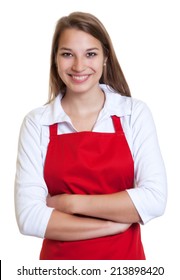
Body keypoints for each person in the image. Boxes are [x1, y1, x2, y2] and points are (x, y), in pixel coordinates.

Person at [14, 11, 167, 260]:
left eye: (90, 54)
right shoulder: (37, 123)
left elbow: (153, 200)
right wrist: (111, 225)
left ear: (106, 57)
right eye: (67, 54)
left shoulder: (133, 114)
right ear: (55, 59)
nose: (78, 65)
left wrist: (71, 204)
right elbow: (29, 218)